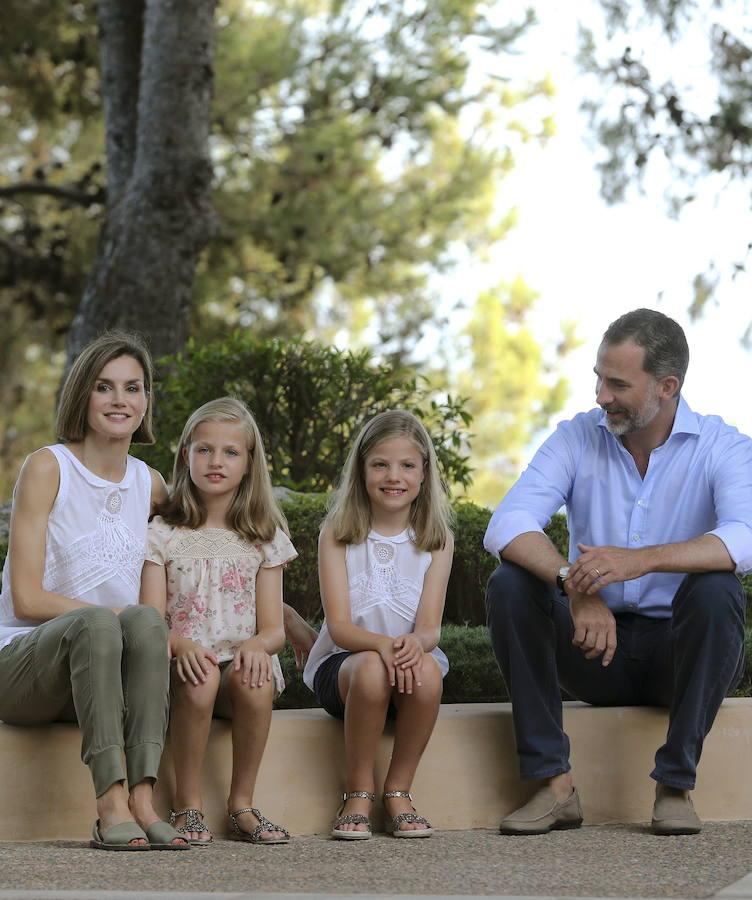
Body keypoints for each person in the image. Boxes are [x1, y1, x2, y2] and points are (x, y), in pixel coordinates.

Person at [484, 308, 752, 836]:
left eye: (617, 383)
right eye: (599, 379)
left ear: (667, 385)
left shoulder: (725, 447)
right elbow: (507, 524)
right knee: (511, 583)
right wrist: (574, 586)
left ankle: (675, 785)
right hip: (591, 649)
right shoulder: (575, 437)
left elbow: (745, 536)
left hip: (676, 659)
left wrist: (642, 559)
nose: (601, 396)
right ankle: (553, 787)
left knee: (717, 590)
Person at [0, 332, 188, 850]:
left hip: (106, 684)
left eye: (134, 387)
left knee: (148, 620)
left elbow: (195, 560)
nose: (120, 399)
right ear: (83, 395)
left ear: (147, 400)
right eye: (105, 387)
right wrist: (110, 618)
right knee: (108, 620)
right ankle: (110, 802)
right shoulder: (48, 467)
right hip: (24, 668)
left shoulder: (149, 484)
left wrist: (279, 613)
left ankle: (145, 799)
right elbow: (27, 600)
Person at [140, 397, 294, 845]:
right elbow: (150, 621)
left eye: (231, 452)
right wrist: (177, 642)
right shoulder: (161, 534)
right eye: (204, 449)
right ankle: (187, 805)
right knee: (201, 675)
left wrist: (257, 645)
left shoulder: (264, 538)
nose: (216, 461)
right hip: (182, 666)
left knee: (255, 678)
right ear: (186, 454)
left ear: (249, 463)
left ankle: (241, 804)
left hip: (239, 668)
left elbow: (274, 629)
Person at [303, 410, 454, 840]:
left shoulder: (436, 538)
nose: (394, 476)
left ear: (424, 473)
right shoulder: (339, 532)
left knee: (427, 670)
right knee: (370, 667)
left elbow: (430, 630)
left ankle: (399, 791)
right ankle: (358, 792)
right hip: (346, 671)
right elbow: (340, 627)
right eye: (380, 464)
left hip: (406, 671)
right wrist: (385, 647)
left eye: (407, 465)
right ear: (362, 469)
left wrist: (412, 645)